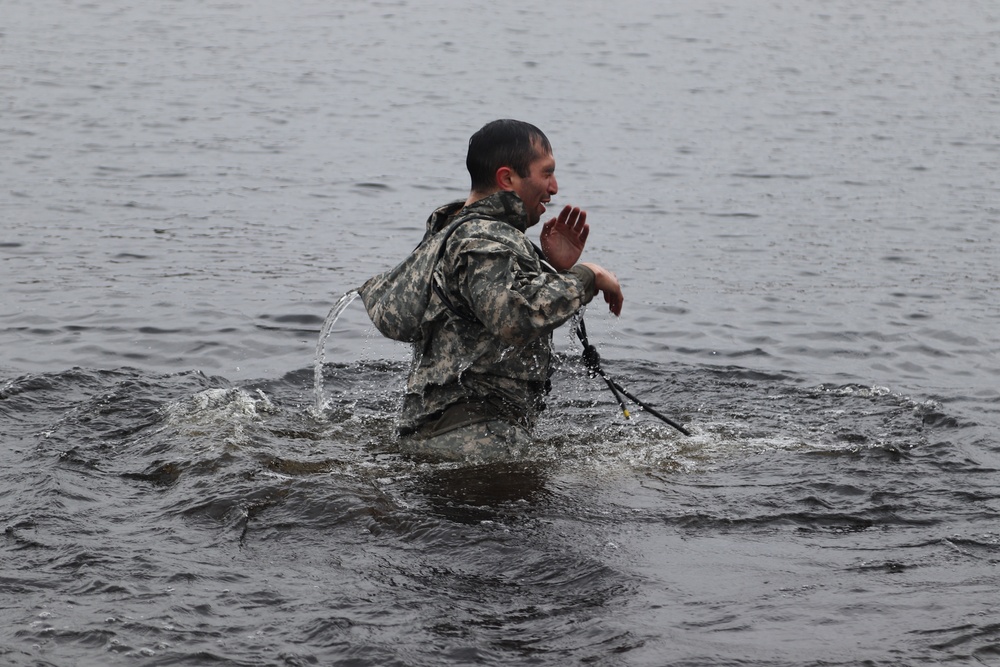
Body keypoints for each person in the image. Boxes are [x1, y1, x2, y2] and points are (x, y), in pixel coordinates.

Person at [395, 119, 623, 462]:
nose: (555, 187)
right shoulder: (485, 240)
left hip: (451, 432)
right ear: (507, 179)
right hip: (473, 438)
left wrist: (555, 272)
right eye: (546, 173)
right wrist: (586, 276)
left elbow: (487, 314)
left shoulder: (457, 231)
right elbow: (513, 318)